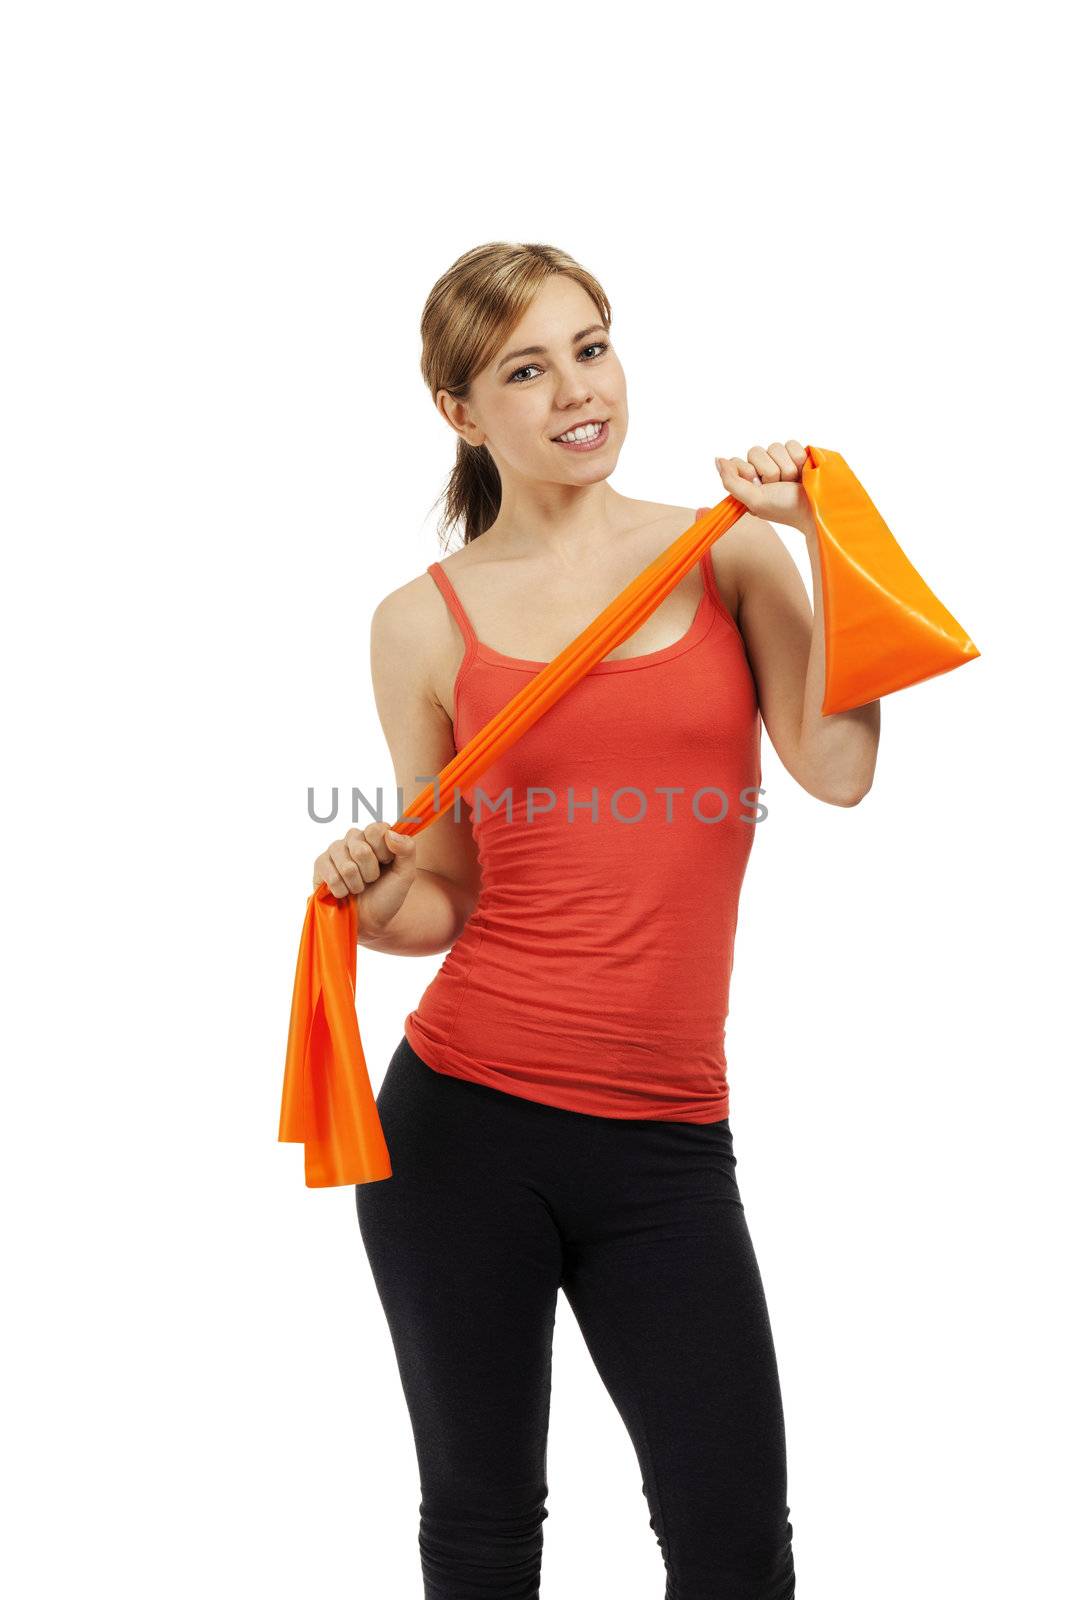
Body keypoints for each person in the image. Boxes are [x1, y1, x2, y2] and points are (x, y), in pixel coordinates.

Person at [314, 242, 880, 1600]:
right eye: (527, 366)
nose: (580, 387)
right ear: (462, 410)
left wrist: (822, 537)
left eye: (593, 344)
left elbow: (841, 768)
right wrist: (372, 888)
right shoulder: (421, 623)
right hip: (459, 1129)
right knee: (485, 1528)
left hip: (667, 1147)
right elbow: (446, 895)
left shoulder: (724, 552)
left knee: (735, 1543)